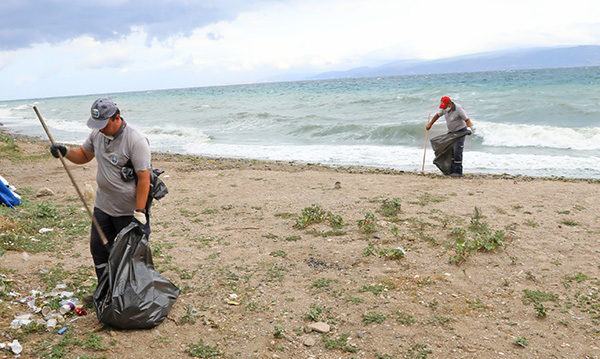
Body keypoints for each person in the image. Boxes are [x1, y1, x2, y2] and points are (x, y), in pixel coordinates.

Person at [49, 98, 152, 282]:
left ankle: (131, 299)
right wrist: (65, 151)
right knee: (99, 250)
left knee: (131, 257)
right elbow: (84, 155)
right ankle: (105, 294)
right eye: (97, 124)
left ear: (116, 118)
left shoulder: (136, 140)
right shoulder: (97, 134)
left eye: (104, 124)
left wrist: (139, 212)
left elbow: (144, 179)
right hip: (103, 206)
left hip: (128, 211)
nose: (100, 128)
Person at [426, 96, 473, 177]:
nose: (444, 109)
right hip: (451, 132)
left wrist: (469, 129)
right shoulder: (444, 109)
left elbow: (467, 120)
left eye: (445, 107)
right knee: (449, 150)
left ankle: (458, 172)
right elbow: (437, 115)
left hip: (460, 131)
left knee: (457, 151)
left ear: (450, 104)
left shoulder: (458, 109)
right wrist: (430, 124)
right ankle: (450, 170)